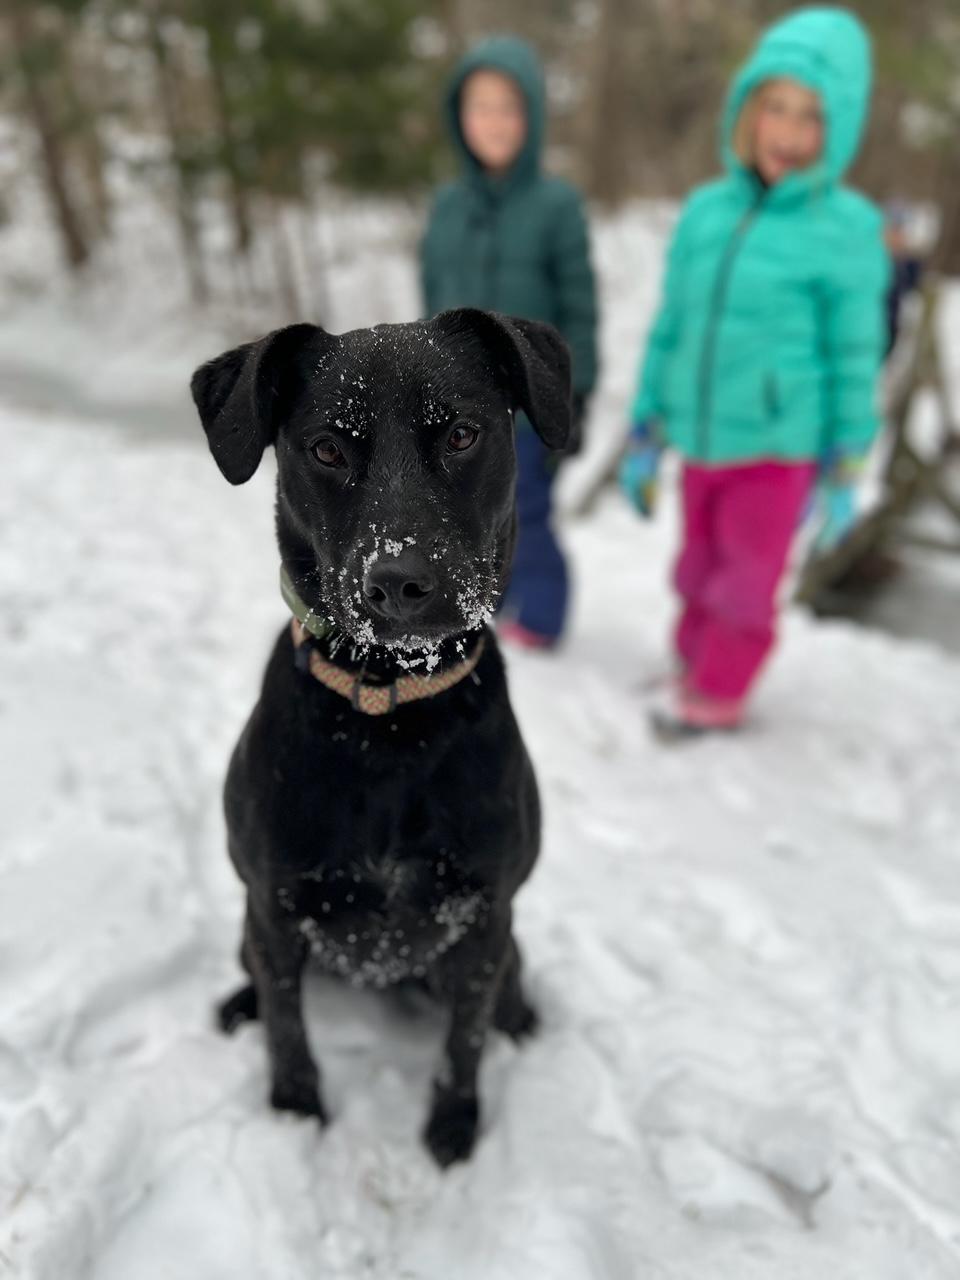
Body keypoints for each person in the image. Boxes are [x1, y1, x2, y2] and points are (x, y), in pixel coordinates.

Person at [620, 6, 889, 738]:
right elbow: (672, 326)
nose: (789, 134)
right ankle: (691, 661)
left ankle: (718, 691)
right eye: (775, 107)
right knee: (696, 566)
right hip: (702, 438)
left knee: (745, 581)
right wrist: (646, 423)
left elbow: (855, 356)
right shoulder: (707, 212)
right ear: (747, 108)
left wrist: (847, 460)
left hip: (776, 447)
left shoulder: (847, 231)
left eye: (811, 118)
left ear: (839, 132)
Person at [421, 35, 598, 649]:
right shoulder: (445, 207)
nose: (493, 122)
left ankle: (543, 615)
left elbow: (580, 306)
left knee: (528, 511)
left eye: (508, 107)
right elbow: (430, 298)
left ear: (532, 117)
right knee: (464, 513)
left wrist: (574, 398)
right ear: (459, 118)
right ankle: (485, 599)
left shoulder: (557, 205)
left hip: (526, 404)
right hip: (453, 408)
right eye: (480, 107)